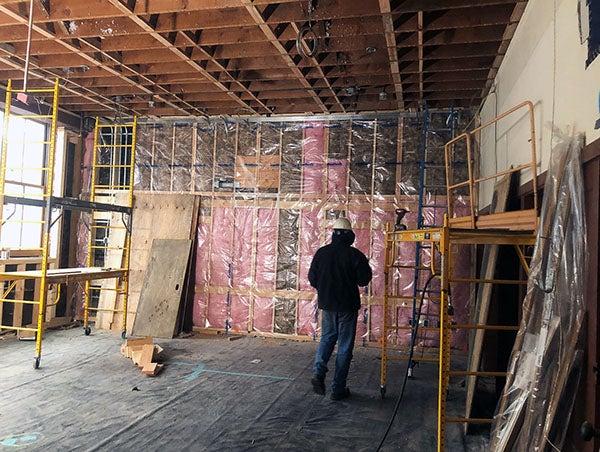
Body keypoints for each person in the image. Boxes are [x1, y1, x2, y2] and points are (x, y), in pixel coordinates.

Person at [308, 217, 372, 400]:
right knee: (344, 346)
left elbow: (312, 278)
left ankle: (318, 373)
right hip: (347, 306)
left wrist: (326, 288)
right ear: (349, 235)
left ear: (333, 234)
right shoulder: (355, 255)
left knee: (327, 338)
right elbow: (363, 280)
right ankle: (338, 389)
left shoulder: (321, 253)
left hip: (327, 305)